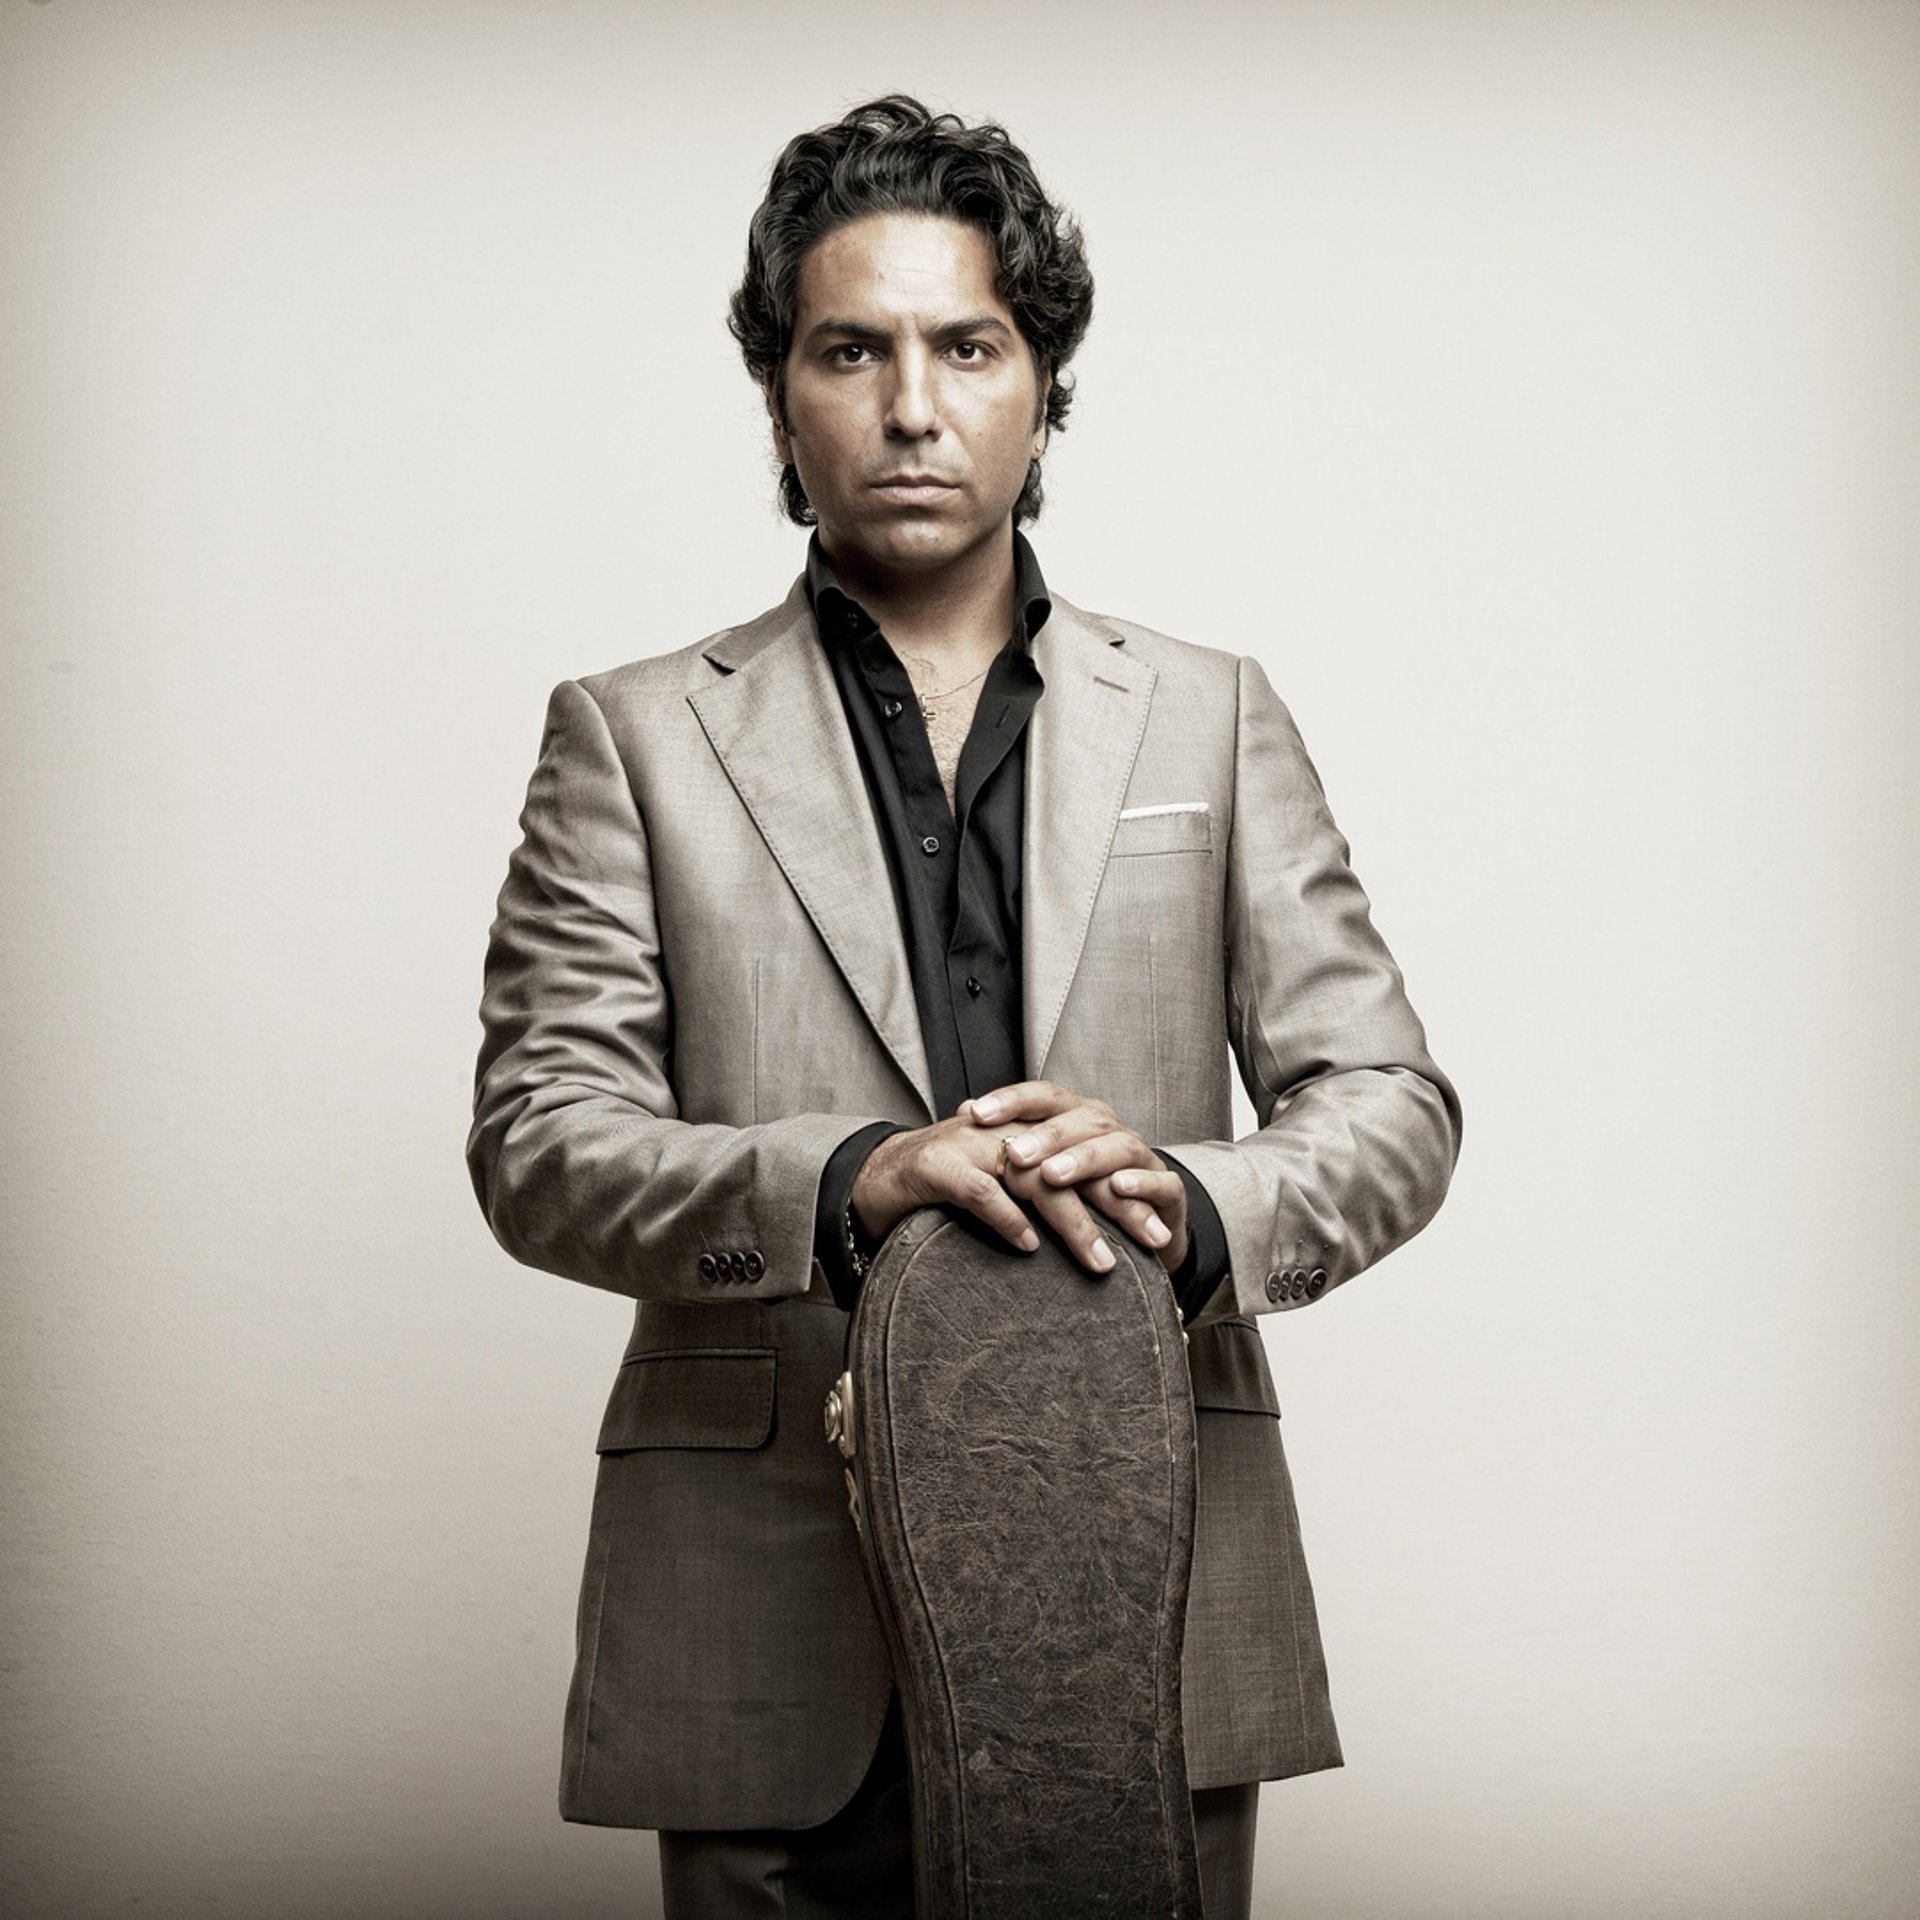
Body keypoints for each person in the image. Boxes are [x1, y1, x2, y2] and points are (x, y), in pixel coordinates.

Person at [468, 94, 1460, 1920]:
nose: (912, 406)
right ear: (781, 394)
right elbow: (540, 1147)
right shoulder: (631, 735)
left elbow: (1390, 1103)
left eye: (969, 347)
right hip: (766, 1607)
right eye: (852, 350)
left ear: (1043, 388)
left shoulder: (1210, 713)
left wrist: (1187, 1203)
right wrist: (848, 1176)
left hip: (1149, 1579)